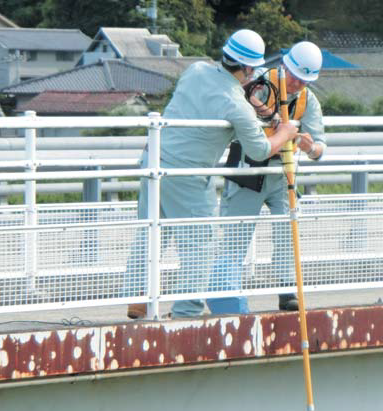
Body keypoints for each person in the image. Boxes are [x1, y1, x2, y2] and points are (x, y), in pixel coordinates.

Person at [127, 29, 298, 319]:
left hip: (154, 158)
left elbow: (213, 93)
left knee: (152, 232)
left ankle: (138, 299)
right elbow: (259, 150)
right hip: (188, 174)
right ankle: (187, 310)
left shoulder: (195, 71)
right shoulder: (236, 104)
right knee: (200, 244)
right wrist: (285, 131)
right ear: (248, 68)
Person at [206, 41, 326, 315]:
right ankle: (225, 295)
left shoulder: (309, 100)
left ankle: (288, 291)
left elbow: (320, 147)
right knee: (236, 236)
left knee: (287, 233)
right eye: (294, 76)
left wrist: (309, 147)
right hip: (248, 170)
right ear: (285, 66)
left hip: (283, 174)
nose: (297, 83)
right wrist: (274, 120)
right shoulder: (258, 82)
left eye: (304, 80)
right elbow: (238, 101)